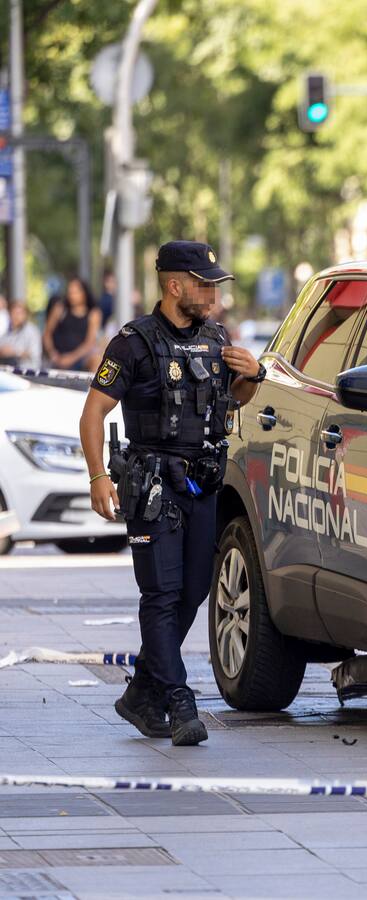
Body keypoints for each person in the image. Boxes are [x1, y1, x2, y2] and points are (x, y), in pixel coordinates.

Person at [79, 242, 264, 746]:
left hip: (201, 481)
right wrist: (98, 476)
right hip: (151, 484)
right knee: (160, 595)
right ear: (174, 285)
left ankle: (142, 690)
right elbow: (93, 412)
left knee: (194, 590)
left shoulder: (216, 338)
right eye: (204, 284)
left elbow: (232, 401)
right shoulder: (132, 342)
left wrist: (252, 375)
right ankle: (179, 699)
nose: (212, 294)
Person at [44, 276, 101, 371]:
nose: (72, 296)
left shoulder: (93, 313)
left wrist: (71, 358)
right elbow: (47, 334)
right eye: (70, 292)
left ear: (84, 293)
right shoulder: (60, 309)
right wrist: (53, 353)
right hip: (58, 357)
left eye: (75, 292)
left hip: (80, 358)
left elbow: (89, 343)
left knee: (97, 360)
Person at [0, 301, 43, 367]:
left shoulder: (32, 331)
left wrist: (15, 352)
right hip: (8, 371)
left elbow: (35, 354)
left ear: (25, 315)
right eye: (13, 313)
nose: (16, 317)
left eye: (19, 313)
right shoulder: (6, 330)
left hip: (28, 372)